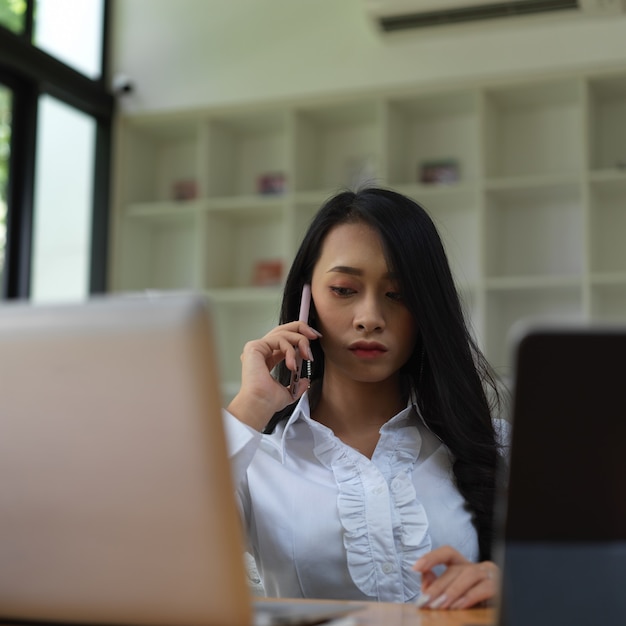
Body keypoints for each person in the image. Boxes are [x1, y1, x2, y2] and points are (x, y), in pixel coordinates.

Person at [224, 187, 509, 609]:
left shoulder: (491, 444)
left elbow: (585, 580)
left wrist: (509, 582)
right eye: (343, 289)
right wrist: (251, 405)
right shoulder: (256, 459)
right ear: (307, 301)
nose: (370, 318)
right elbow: (163, 553)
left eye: (399, 294)